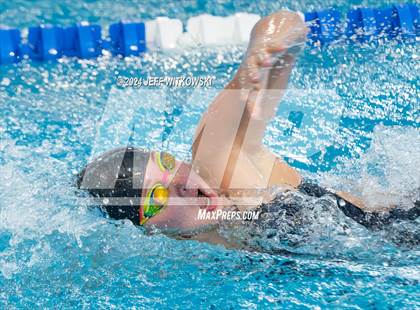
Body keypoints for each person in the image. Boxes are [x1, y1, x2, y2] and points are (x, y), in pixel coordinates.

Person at [77, 10, 419, 248]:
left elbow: (289, 25)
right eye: (157, 197)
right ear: (144, 231)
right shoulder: (205, 259)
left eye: (167, 163)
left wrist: (259, 52)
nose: (181, 182)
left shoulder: (222, 168)